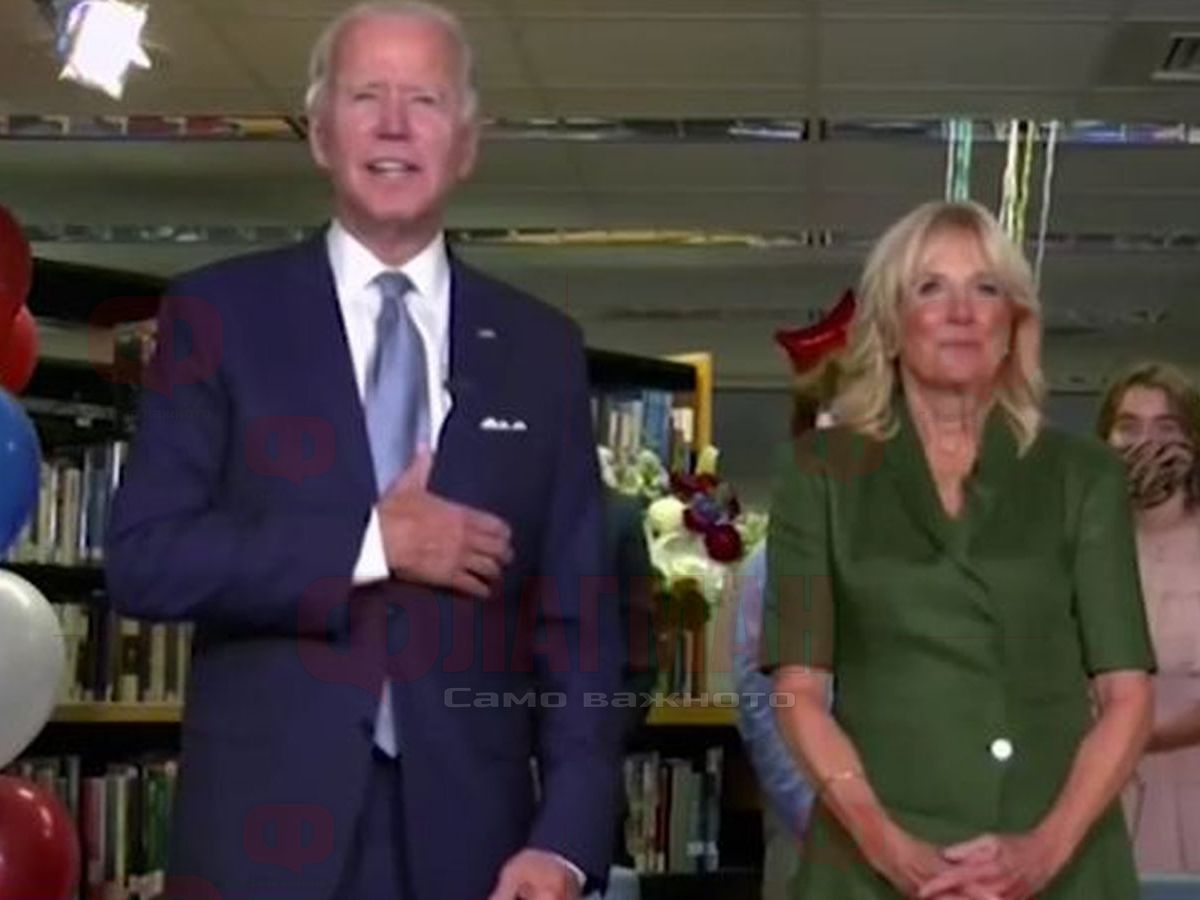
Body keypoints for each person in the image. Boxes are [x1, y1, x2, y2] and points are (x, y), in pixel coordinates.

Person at [104, 4, 625, 899]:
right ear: (319, 133)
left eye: (425, 99)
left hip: (478, 850)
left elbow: (581, 626)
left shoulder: (541, 349)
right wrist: (374, 542)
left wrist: (568, 840)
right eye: (364, 96)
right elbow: (147, 560)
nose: (393, 124)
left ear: (467, 143)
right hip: (259, 842)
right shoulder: (217, 317)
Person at [759, 199, 1156, 899]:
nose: (962, 312)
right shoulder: (819, 472)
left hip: (1059, 859)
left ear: (1014, 325)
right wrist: (887, 846)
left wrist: (1043, 850)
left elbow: (1128, 696)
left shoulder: (1083, 475)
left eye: (986, 288)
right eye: (930, 288)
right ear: (890, 324)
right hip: (872, 860)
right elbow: (798, 692)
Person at [1097, 361, 1200, 873]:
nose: (1146, 443)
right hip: (1094, 788)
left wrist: (1143, 735)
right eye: (1129, 427)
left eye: (1166, 427)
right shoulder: (1076, 544)